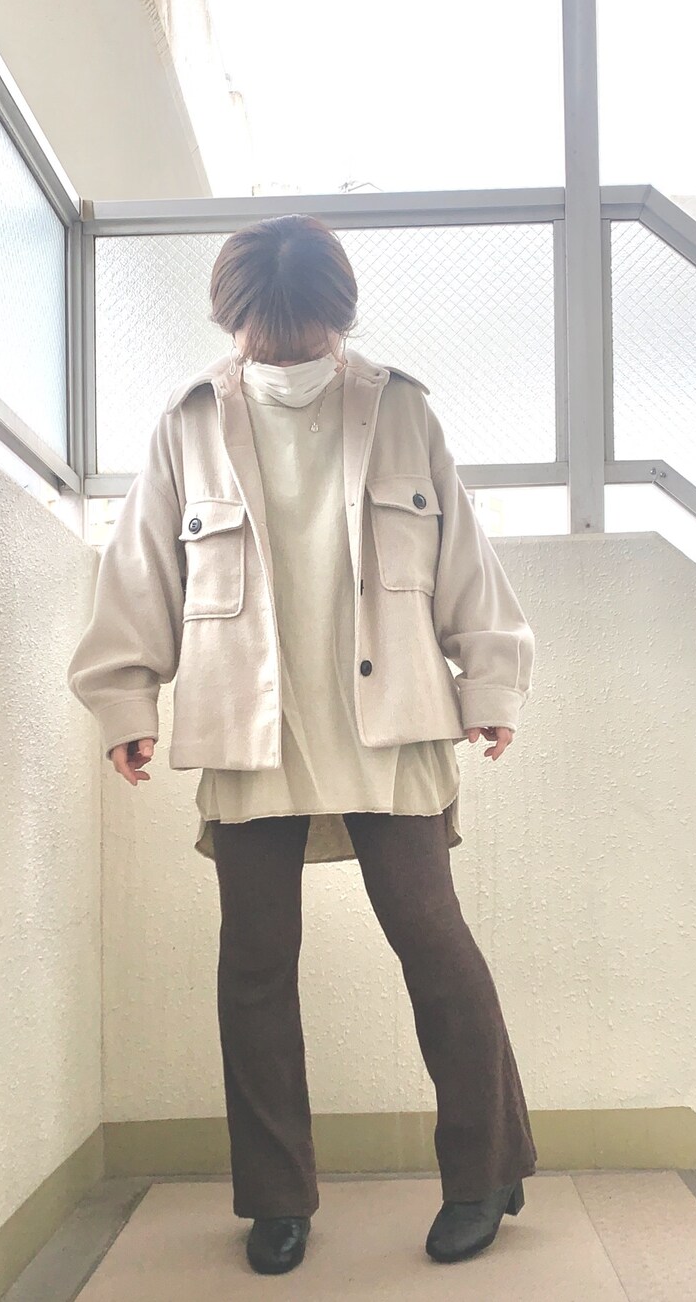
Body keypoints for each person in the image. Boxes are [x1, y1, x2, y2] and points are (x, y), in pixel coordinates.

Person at [66, 213, 538, 1276]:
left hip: (393, 724)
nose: (284, 346)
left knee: (433, 941)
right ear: (232, 318)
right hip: (250, 730)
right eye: (265, 329)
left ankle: (484, 1171)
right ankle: (277, 1199)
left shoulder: (401, 408)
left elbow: (465, 558)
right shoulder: (189, 422)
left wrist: (490, 681)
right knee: (254, 965)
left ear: (338, 314)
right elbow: (141, 572)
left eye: (304, 327)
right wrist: (126, 702)